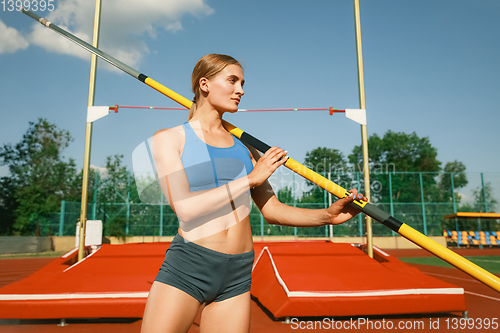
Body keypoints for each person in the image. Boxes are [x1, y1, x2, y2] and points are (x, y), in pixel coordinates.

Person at [141, 54, 367, 333]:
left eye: (243, 83)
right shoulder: (170, 139)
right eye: (232, 81)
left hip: (238, 272)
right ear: (204, 84)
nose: (241, 90)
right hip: (190, 265)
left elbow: (272, 210)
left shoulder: (246, 147)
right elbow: (185, 208)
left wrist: (327, 216)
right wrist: (250, 178)